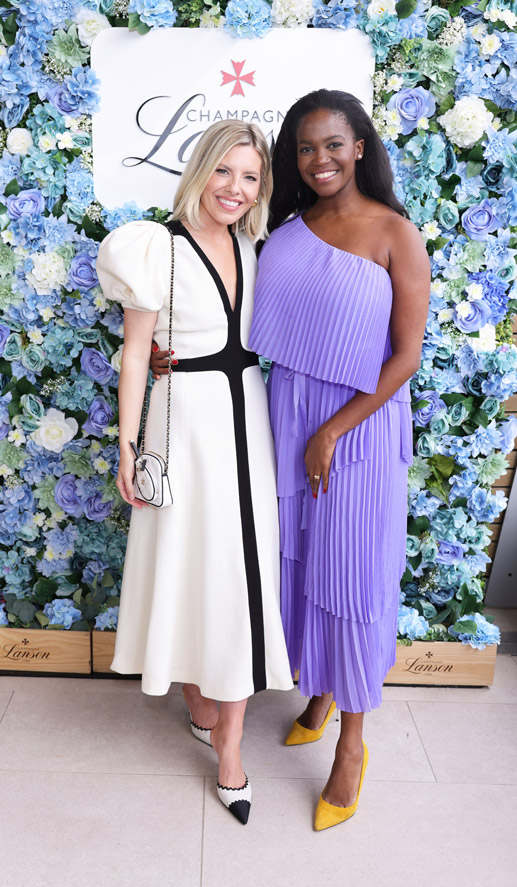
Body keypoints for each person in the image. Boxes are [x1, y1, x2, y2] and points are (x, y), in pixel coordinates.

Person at [96, 120, 293, 826]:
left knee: (241, 573)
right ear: (200, 170)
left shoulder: (254, 244)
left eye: (249, 177)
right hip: (184, 425)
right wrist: (126, 445)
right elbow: (135, 352)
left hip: (248, 418)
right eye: (224, 172)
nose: (235, 189)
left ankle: (231, 751)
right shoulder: (156, 246)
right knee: (186, 563)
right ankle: (195, 697)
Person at [249, 89, 430, 830]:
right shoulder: (287, 230)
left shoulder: (394, 232)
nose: (318, 159)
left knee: (350, 576)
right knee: (300, 563)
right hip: (288, 413)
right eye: (303, 148)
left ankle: (351, 745)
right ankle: (318, 691)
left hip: (357, 430)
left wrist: (332, 430)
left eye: (331, 144)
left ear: (359, 146)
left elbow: (406, 355)